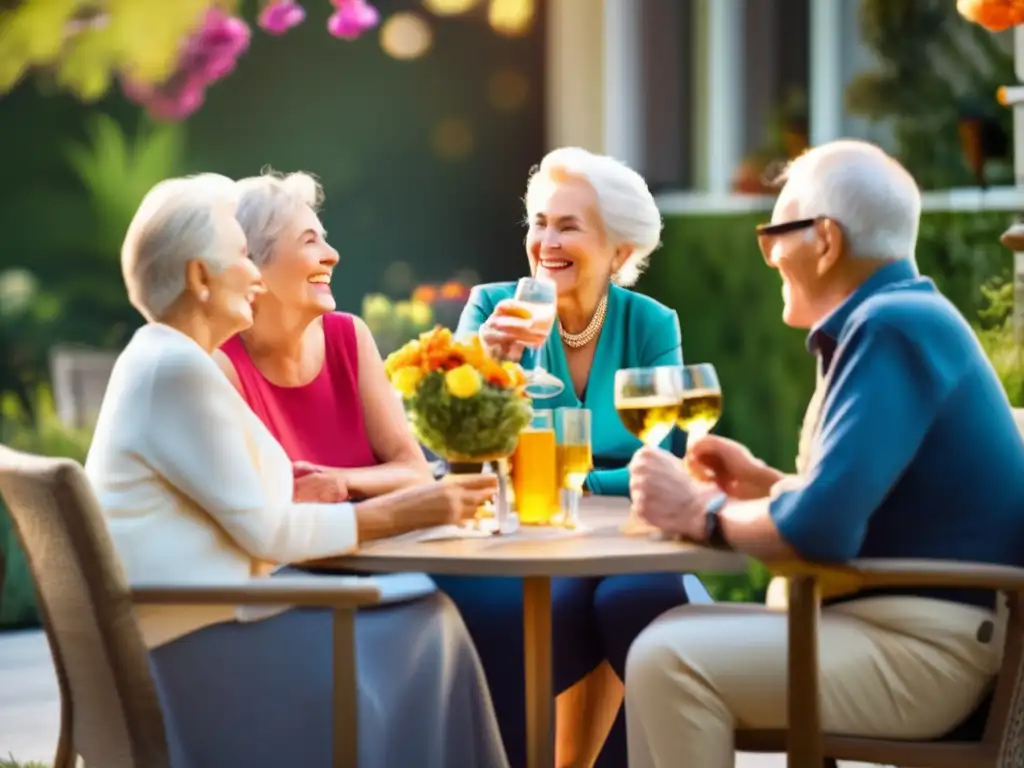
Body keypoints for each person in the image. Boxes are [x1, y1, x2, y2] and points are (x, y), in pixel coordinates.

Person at [85, 173, 508, 768]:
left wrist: (312, 490)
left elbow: (247, 500)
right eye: (241, 258)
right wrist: (406, 510)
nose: (255, 277)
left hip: (189, 629)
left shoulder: (166, 360)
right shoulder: (177, 369)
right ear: (201, 278)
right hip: (197, 654)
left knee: (427, 614)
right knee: (429, 620)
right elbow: (271, 534)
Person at [624, 139, 1024, 768]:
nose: (770, 255)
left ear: (827, 241)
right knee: (661, 644)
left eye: (774, 233)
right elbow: (864, 504)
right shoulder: (899, 317)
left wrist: (702, 511)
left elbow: (823, 528)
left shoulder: (891, 326)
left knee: (669, 660)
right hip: (901, 630)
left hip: (925, 652)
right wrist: (764, 486)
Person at [435, 147, 706, 768]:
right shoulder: (492, 309)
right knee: (533, 611)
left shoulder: (651, 325)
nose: (545, 241)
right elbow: (459, 450)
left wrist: (559, 483)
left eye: (568, 225)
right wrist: (487, 366)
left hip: (622, 543)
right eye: (539, 222)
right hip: (519, 543)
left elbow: (655, 461)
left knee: (634, 598)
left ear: (619, 251)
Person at [215, 170, 433, 500]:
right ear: (253, 264)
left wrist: (331, 482)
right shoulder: (221, 366)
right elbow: (250, 507)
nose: (332, 255)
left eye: (323, 237)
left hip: (381, 547)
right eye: (309, 240)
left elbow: (416, 472)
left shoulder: (349, 338)